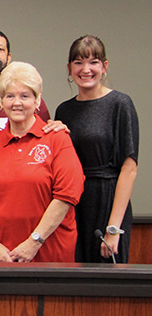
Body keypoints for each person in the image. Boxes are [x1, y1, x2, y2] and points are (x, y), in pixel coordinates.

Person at [0, 62, 84, 263]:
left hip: (50, 255)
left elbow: (66, 195)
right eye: (9, 96)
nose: (16, 102)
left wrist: (33, 242)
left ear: (38, 101)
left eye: (25, 96)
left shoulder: (58, 139)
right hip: (0, 258)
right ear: (1, 102)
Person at [55, 36, 138, 263]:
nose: (86, 69)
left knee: (106, 276)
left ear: (104, 66)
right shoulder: (64, 110)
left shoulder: (120, 104)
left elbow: (129, 169)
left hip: (108, 200)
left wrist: (113, 228)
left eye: (93, 62)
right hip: (74, 201)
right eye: (78, 62)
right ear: (70, 68)